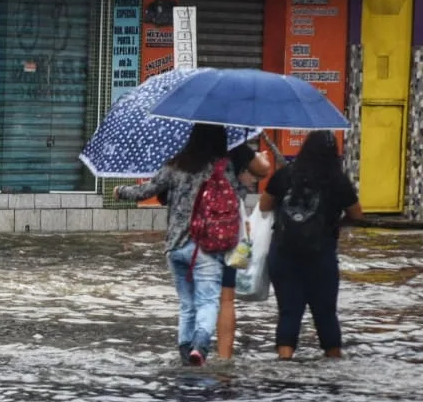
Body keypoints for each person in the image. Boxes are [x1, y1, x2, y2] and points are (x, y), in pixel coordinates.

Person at [114, 124, 240, 366]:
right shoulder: (224, 167)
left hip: (175, 246)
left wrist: (121, 191)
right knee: (207, 300)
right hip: (208, 245)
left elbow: (146, 191)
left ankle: (185, 353)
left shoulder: (176, 165)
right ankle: (200, 347)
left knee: (187, 303)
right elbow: (236, 198)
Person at [258, 131, 363, 360]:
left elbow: (265, 206)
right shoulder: (338, 181)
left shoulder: (285, 175)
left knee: (288, 311)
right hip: (321, 254)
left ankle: (284, 363)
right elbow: (357, 214)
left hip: (284, 253)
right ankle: (333, 362)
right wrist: (336, 223)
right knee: (325, 313)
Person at [215, 139, 272, 359]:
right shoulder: (236, 145)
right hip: (228, 227)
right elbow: (263, 169)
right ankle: (224, 356)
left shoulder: (192, 151)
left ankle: (193, 347)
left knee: (197, 297)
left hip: (198, 229)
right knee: (226, 298)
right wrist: (261, 157)